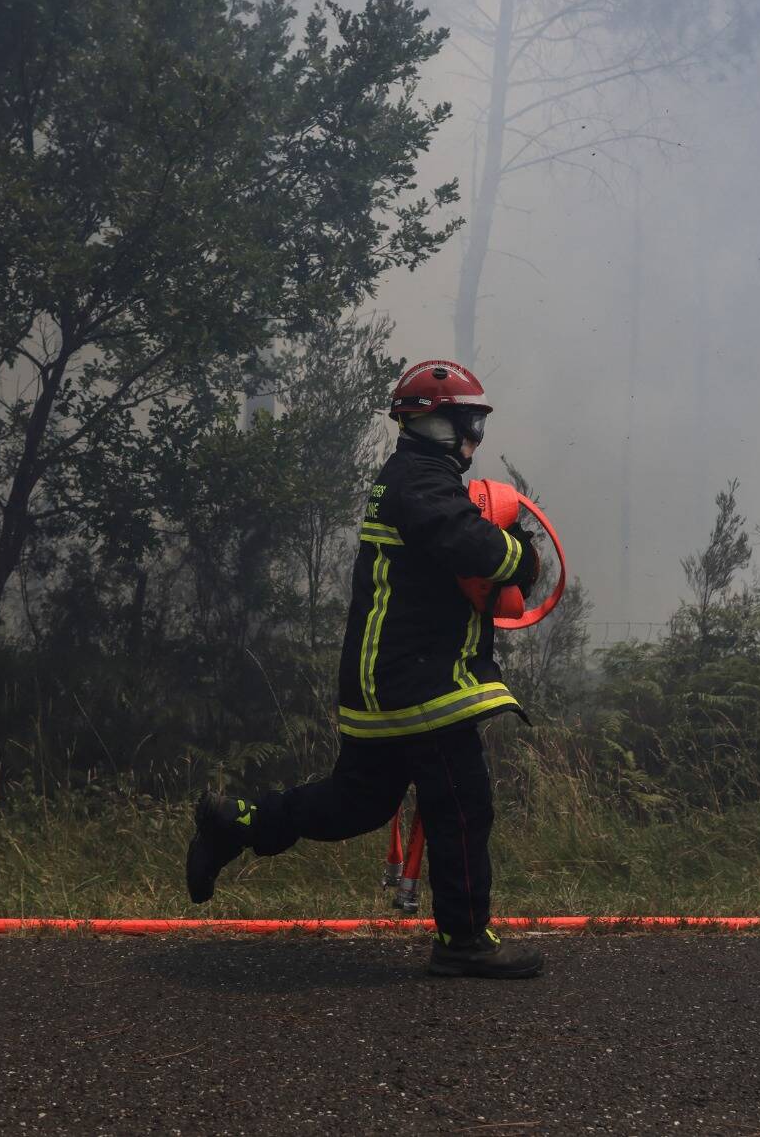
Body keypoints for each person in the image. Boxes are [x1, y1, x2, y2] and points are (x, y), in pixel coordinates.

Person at [184, 359, 545, 978]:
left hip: (388, 679)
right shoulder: (421, 483)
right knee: (461, 803)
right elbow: (476, 549)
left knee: (356, 803)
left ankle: (238, 822)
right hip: (419, 682)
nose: (475, 438)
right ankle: (464, 942)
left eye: (477, 423)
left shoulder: (414, 477)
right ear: (431, 422)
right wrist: (522, 552)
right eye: (467, 422)